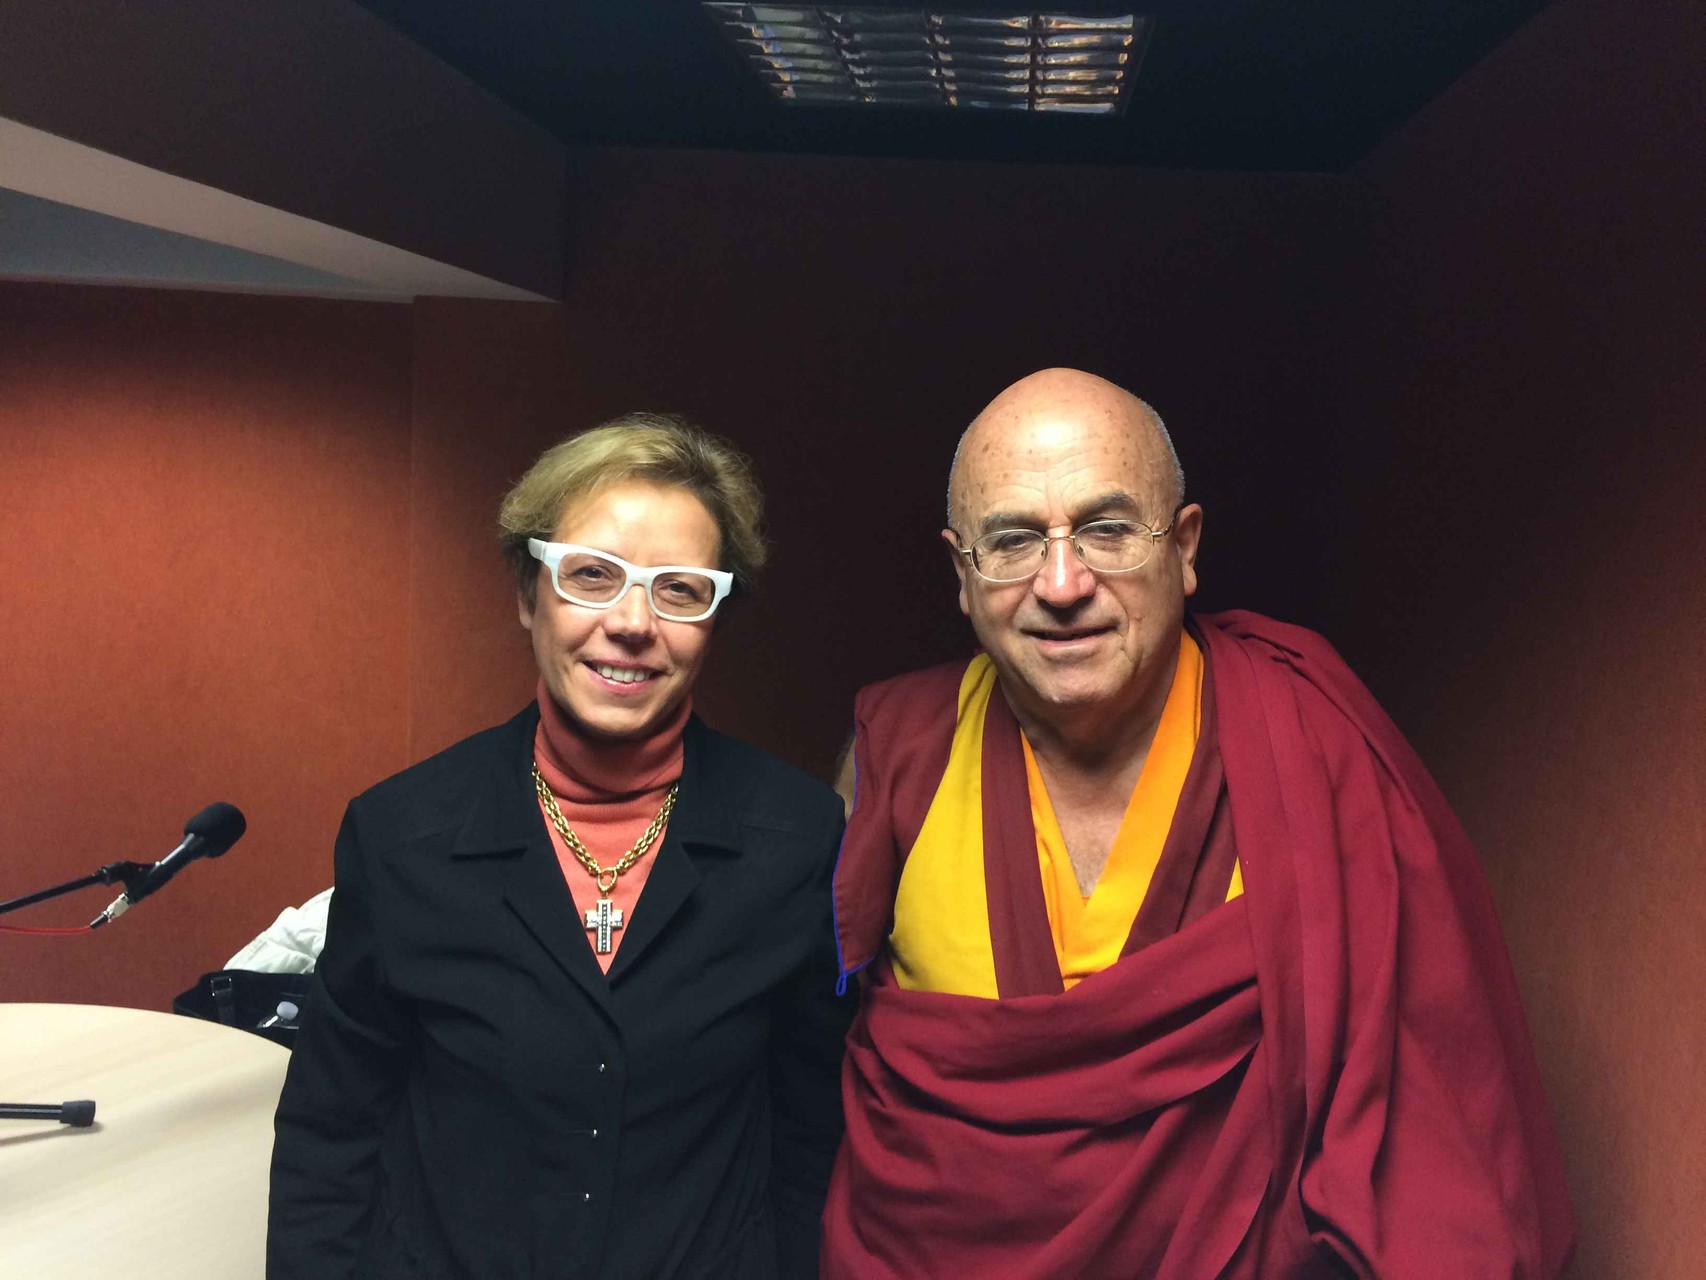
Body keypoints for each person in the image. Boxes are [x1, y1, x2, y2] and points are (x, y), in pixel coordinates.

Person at [824, 370, 1574, 1278]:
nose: (1063, 585)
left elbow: (1431, 1135)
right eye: (1014, 541)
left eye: (1106, 530)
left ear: (1184, 548)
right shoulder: (894, 761)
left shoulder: (1304, 742)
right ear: (961, 573)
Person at [269, 413, 851, 1279]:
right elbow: (331, 1133)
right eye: (591, 576)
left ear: (713, 621)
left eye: (680, 590)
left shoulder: (797, 840)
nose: (631, 623)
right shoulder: (402, 835)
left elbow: (812, 1140)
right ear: (526, 593)